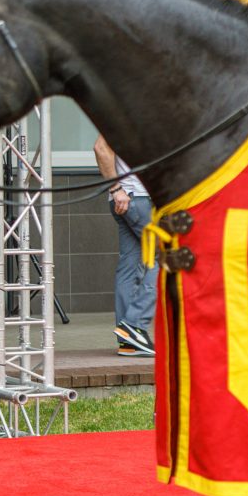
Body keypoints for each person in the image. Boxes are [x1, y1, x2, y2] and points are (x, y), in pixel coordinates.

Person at [93, 135, 157, 357]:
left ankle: (128, 340)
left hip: (127, 200)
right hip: (136, 199)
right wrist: (116, 189)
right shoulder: (124, 112)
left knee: (129, 264)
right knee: (162, 258)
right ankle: (134, 324)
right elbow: (101, 148)